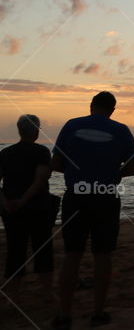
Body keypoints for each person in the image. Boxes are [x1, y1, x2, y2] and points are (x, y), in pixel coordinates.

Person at [52, 91, 134, 329]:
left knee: (72, 255)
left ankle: (64, 315)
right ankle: (98, 312)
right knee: (103, 256)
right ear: (113, 109)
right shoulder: (121, 130)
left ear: (91, 106)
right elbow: (132, 168)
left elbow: (56, 163)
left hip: (76, 196)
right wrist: (110, 174)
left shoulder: (71, 125)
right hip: (106, 197)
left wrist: (77, 173)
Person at [0, 114, 54, 300]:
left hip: (11, 210)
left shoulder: (5, 153)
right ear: (36, 131)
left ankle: (13, 295)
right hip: (38, 208)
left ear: (19, 130)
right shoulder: (41, 152)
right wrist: (23, 201)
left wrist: (5, 202)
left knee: (15, 249)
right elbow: (40, 180)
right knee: (43, 249)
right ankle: (47, 292)